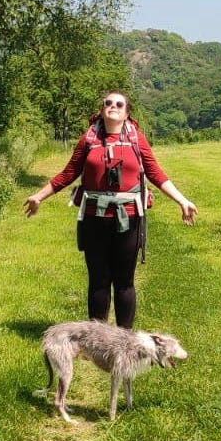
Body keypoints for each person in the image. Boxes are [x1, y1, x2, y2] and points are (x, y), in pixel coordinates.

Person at [24, 90, 198, 329]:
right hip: (94, 219)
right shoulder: (88, 140)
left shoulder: (137, 139)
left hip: (129, 219)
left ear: (127, 113)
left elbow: (155, 173)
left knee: (125, 281)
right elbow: (69, 173)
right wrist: (39, 196)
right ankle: (97, 339)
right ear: (102, 109)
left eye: (119, 104)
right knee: (98, 281)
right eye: (108, 102)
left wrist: (182, 200)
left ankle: (123, 341)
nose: (112, 106)